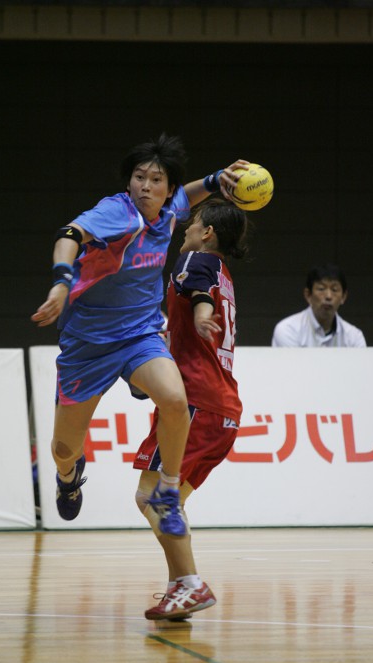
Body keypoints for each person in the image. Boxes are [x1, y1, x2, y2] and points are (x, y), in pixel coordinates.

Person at [31, 132, 250, 536]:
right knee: (63, 449)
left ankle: (167, 489)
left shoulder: (168, 211)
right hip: (87, 345)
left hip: (139, 335)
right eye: (139, 177)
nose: (145, 186)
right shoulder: (118, 213)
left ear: (167, 189)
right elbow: (69, 235)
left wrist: (216, 179)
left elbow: (187, 196)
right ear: (129, 181)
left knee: (175, 398)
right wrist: (61, 282)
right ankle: (68, 477)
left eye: (155, 180)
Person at [133, 198, 250, 620]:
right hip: (221, 410)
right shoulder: (225, 275)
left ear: (208, 233)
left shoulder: (197, 260)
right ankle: (178, 588)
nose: (186, 228)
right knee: (168, 502)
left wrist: (201, 312)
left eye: (194, 222)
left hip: (196, 404)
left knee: (152, 496)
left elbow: (198, 293)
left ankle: (190, 584)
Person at [271, 263, 367, 348]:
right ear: (308, 295)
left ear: (343, 297)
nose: (328, 296)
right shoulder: (288, 329)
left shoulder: (354, 337)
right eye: (321, 289)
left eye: (334, 290)